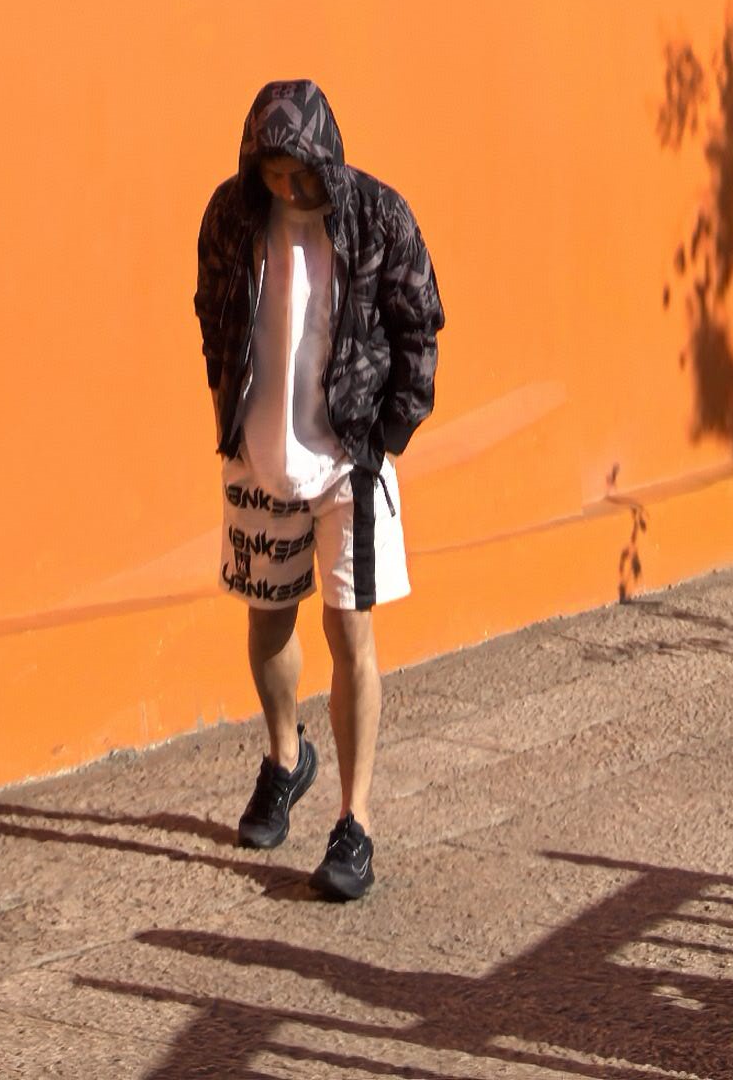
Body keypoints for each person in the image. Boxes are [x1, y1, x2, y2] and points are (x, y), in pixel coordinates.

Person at [194, 77, 442, 904]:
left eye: (300, 172)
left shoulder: (379, 216)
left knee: (350, 634)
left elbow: (419, 322)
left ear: (327, 157)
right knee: (267, 623)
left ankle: (354, 821)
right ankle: (284, 758)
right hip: (257, 454)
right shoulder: (232, 217)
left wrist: (388, 433)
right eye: (272, 172)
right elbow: (209, 308)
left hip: (348, 460)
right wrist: (228, 400)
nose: (288, 187)